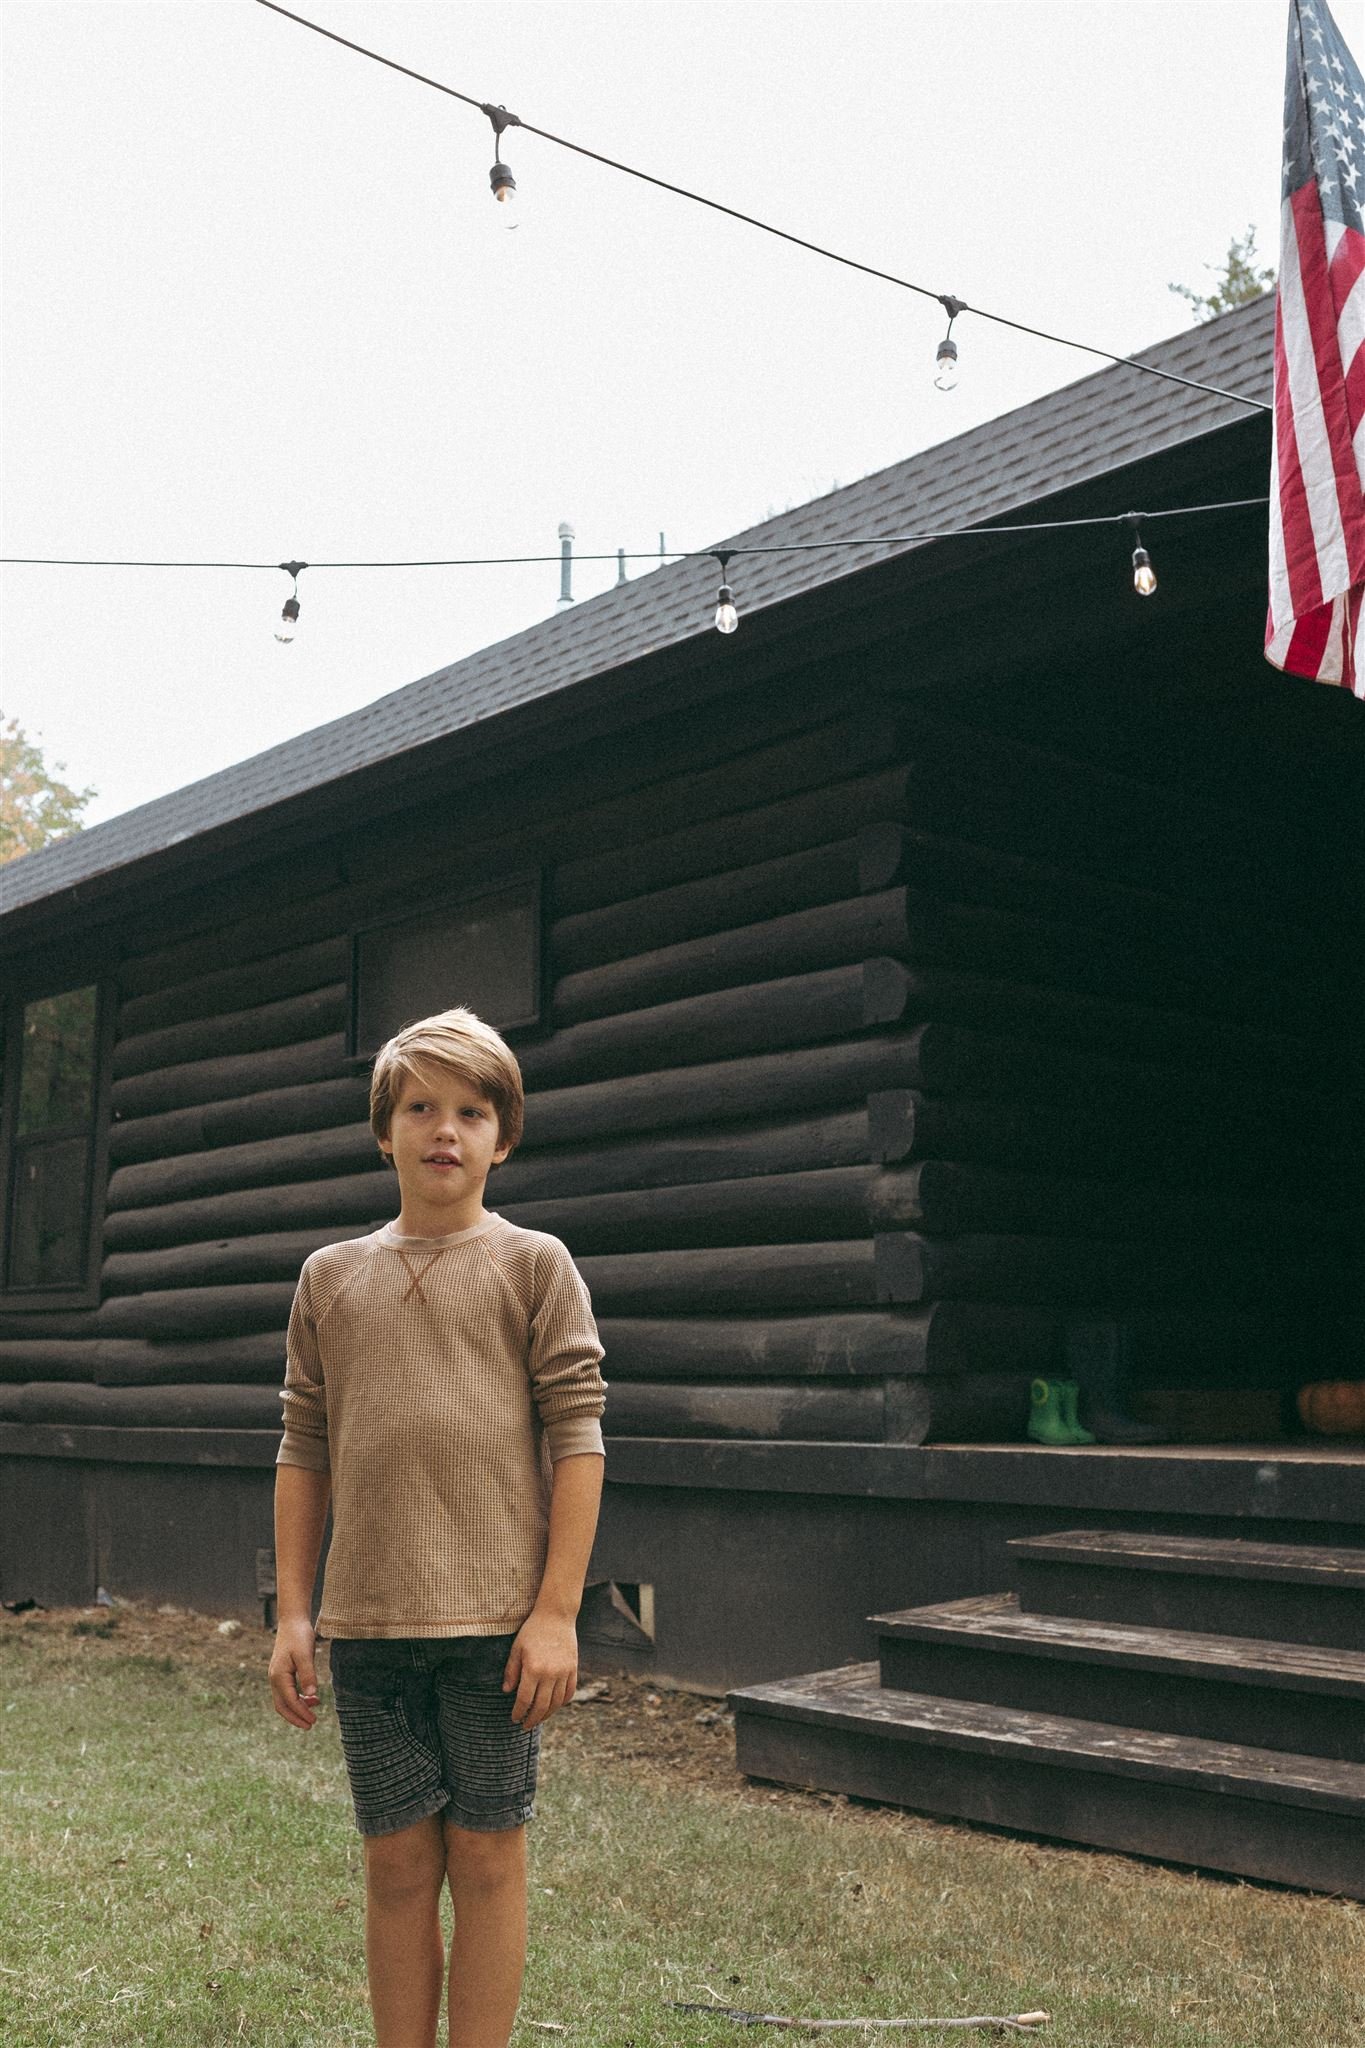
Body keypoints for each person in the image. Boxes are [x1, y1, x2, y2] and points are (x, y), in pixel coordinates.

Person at [268, 1006, 607, 2048]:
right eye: (420, 1106)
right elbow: (303, 1446)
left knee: (490, 1858)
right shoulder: (330, 1277)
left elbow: (579, 1438)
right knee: (397, 1864)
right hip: (368, 1626)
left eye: (471, 1110)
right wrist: (292, 1613)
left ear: (504, 1134)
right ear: (386, 1129)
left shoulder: (534, 1264)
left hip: (499, 1633)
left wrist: (556, 1612)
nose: (444, 1129)